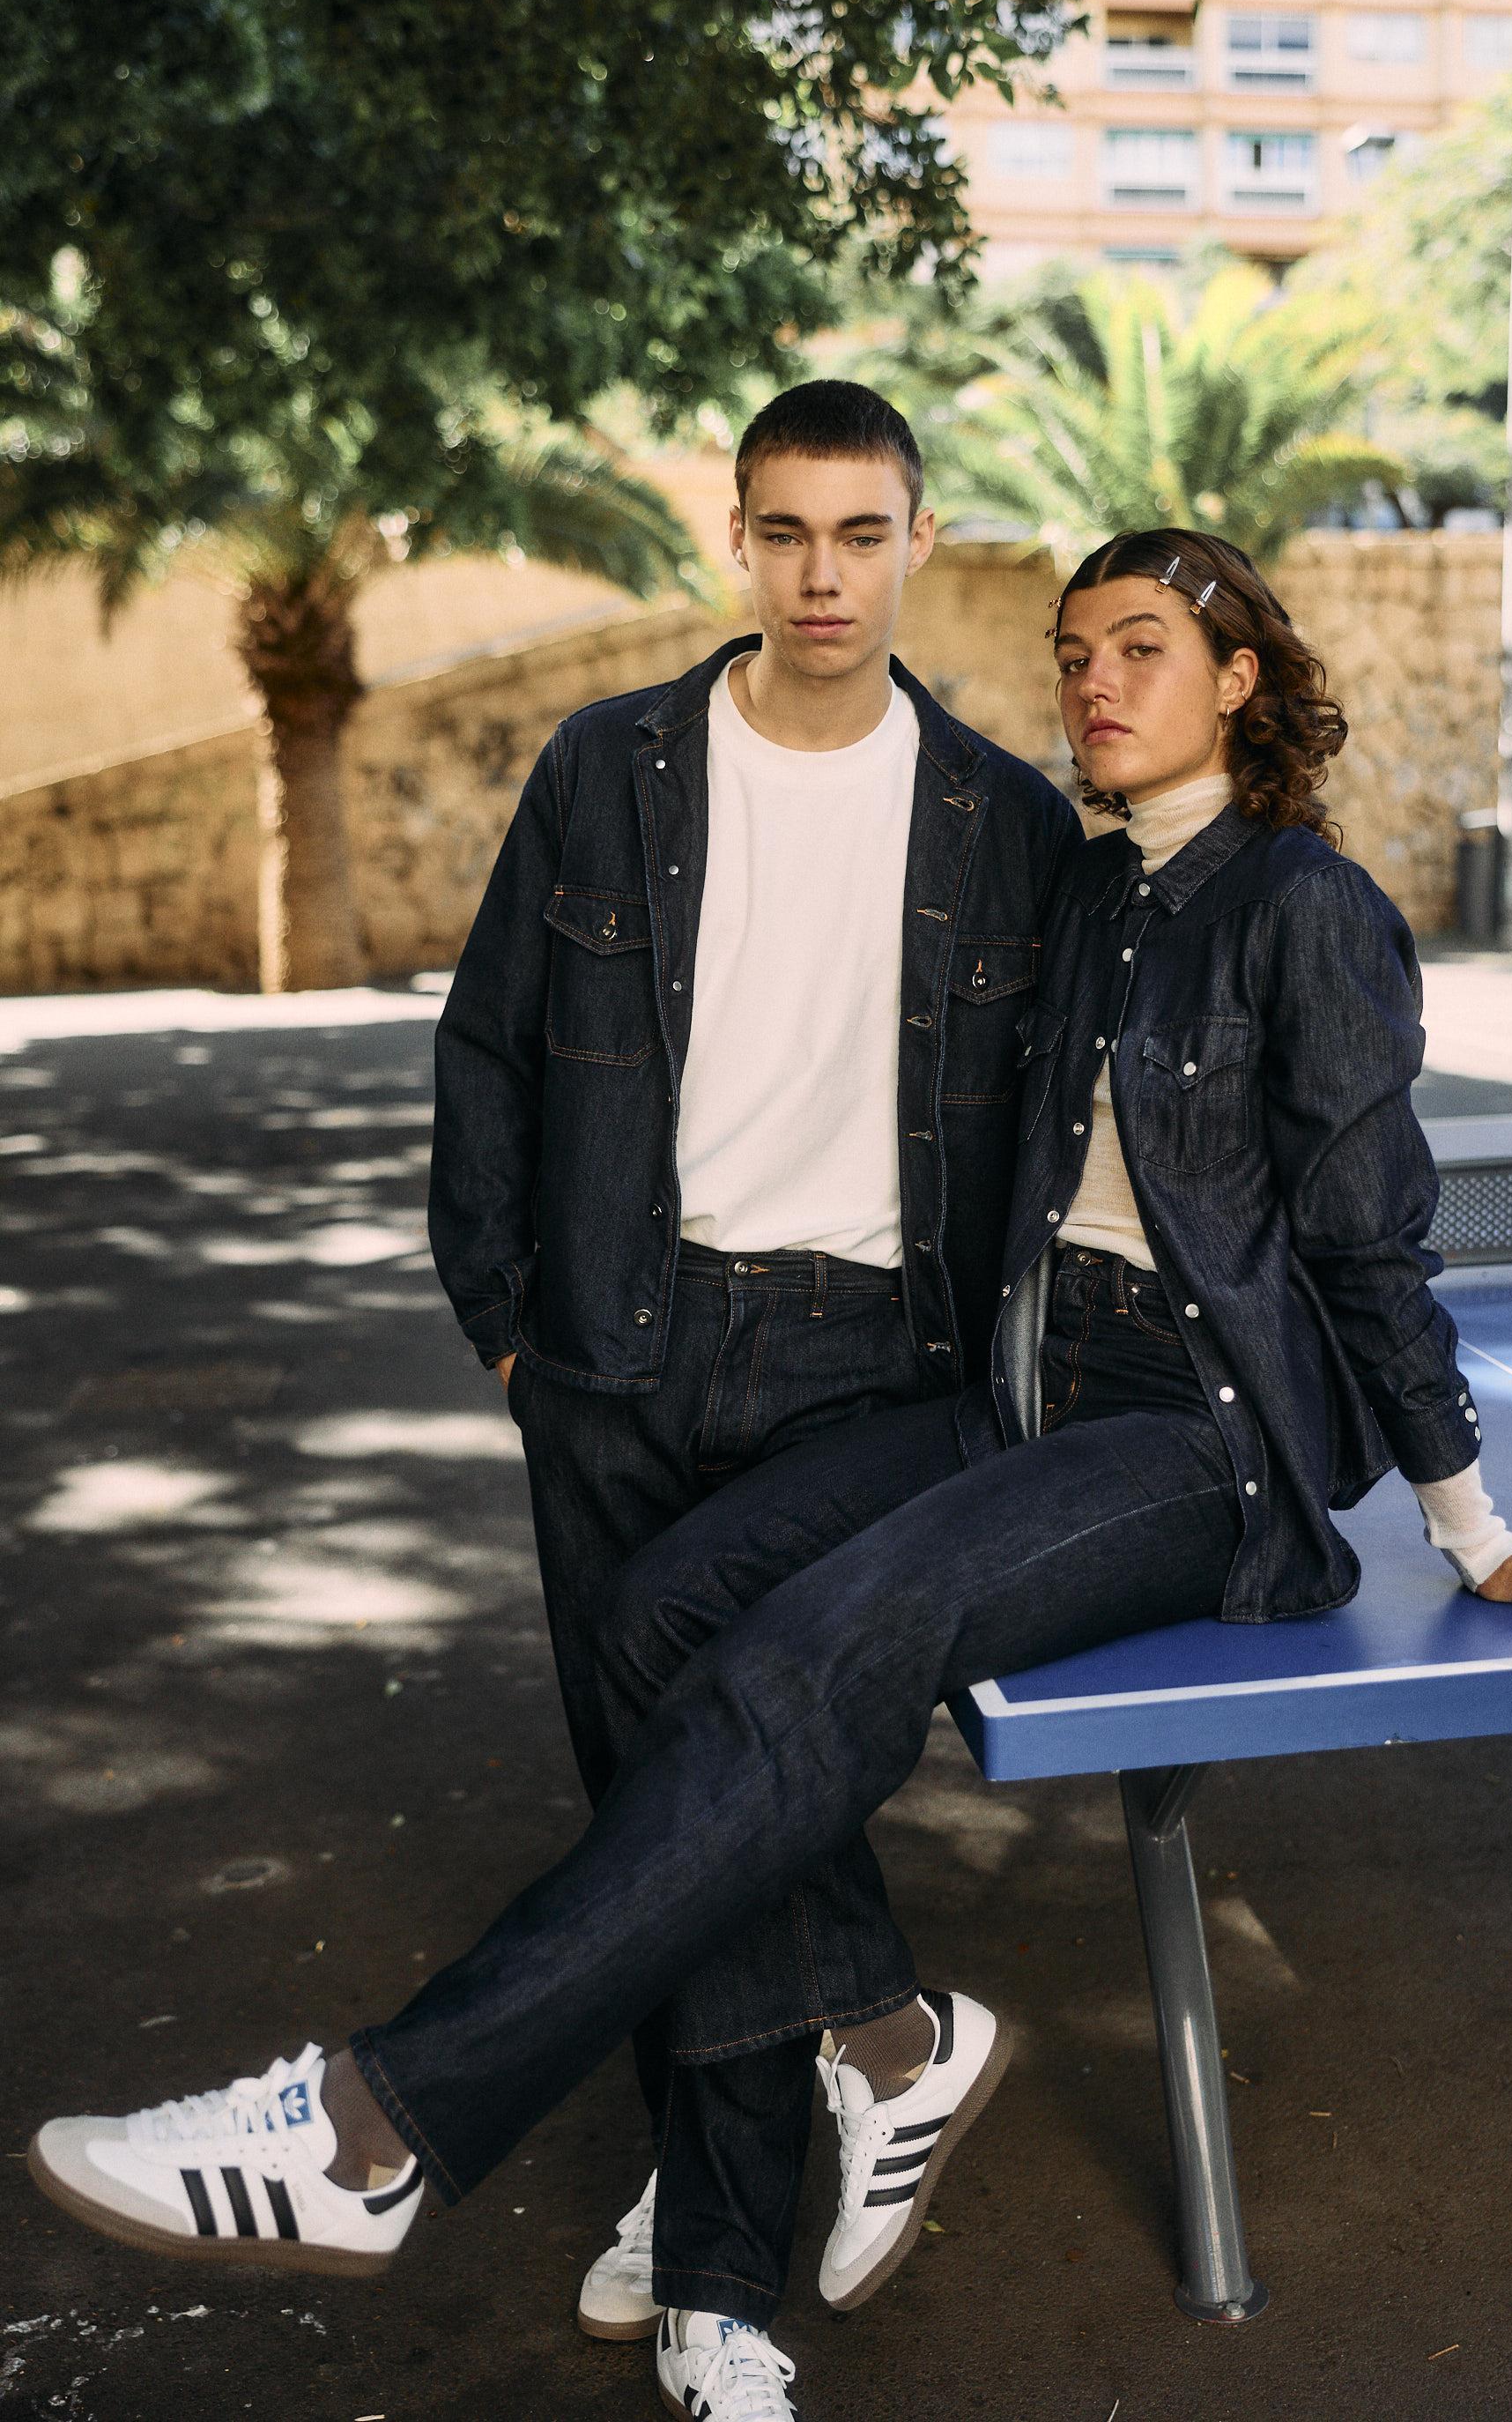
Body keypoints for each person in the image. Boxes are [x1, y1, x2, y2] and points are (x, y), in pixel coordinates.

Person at [32, 528, 1512, 2422]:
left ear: (1238, 682)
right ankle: (890, 2032)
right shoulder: (1088, 887)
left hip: (1198, 1442)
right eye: (1072, 650)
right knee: (659, 1610)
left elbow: (1371, 1241)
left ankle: (377, 2126)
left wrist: (1471, 1528)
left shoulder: (1304, 908)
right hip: (1027, 1392)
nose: (1091, 681)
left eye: (1140, 648)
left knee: (810, 1659)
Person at [423, 375, 1076, 2349]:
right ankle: (754, 2171)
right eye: (783, 531)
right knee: (661, 1799)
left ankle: (716, 2272)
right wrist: (508, 1333)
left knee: (737, 1785)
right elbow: (487, 1047)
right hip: (619, 1339)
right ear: (736, 537)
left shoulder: (1003, 821)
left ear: (918, 541)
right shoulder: (608, 767)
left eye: (860, 533)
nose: (820, 575)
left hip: (868, 1364)